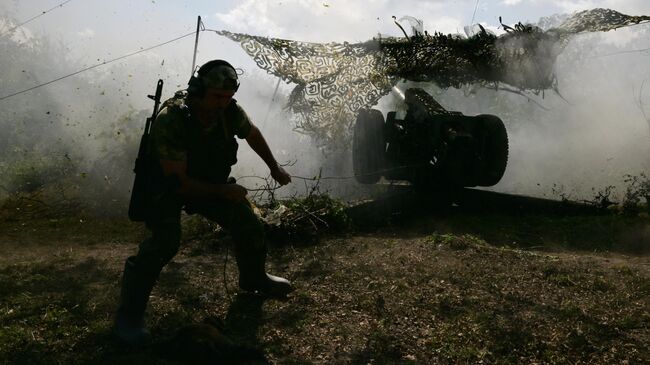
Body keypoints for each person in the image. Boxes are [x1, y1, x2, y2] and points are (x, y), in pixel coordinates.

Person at [114, 59, 293, 345]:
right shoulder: (172, 119)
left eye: (228, 97)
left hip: (209, 184)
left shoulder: (228, 111)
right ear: (198, 91)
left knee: (247, 221)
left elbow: (252, 132)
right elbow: (180, 183)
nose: (223, 103)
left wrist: (274, 166)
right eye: (217, 97)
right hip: (167, 188)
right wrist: (223, 191)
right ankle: (129, 316)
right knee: (164, 242)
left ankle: (254, 279)